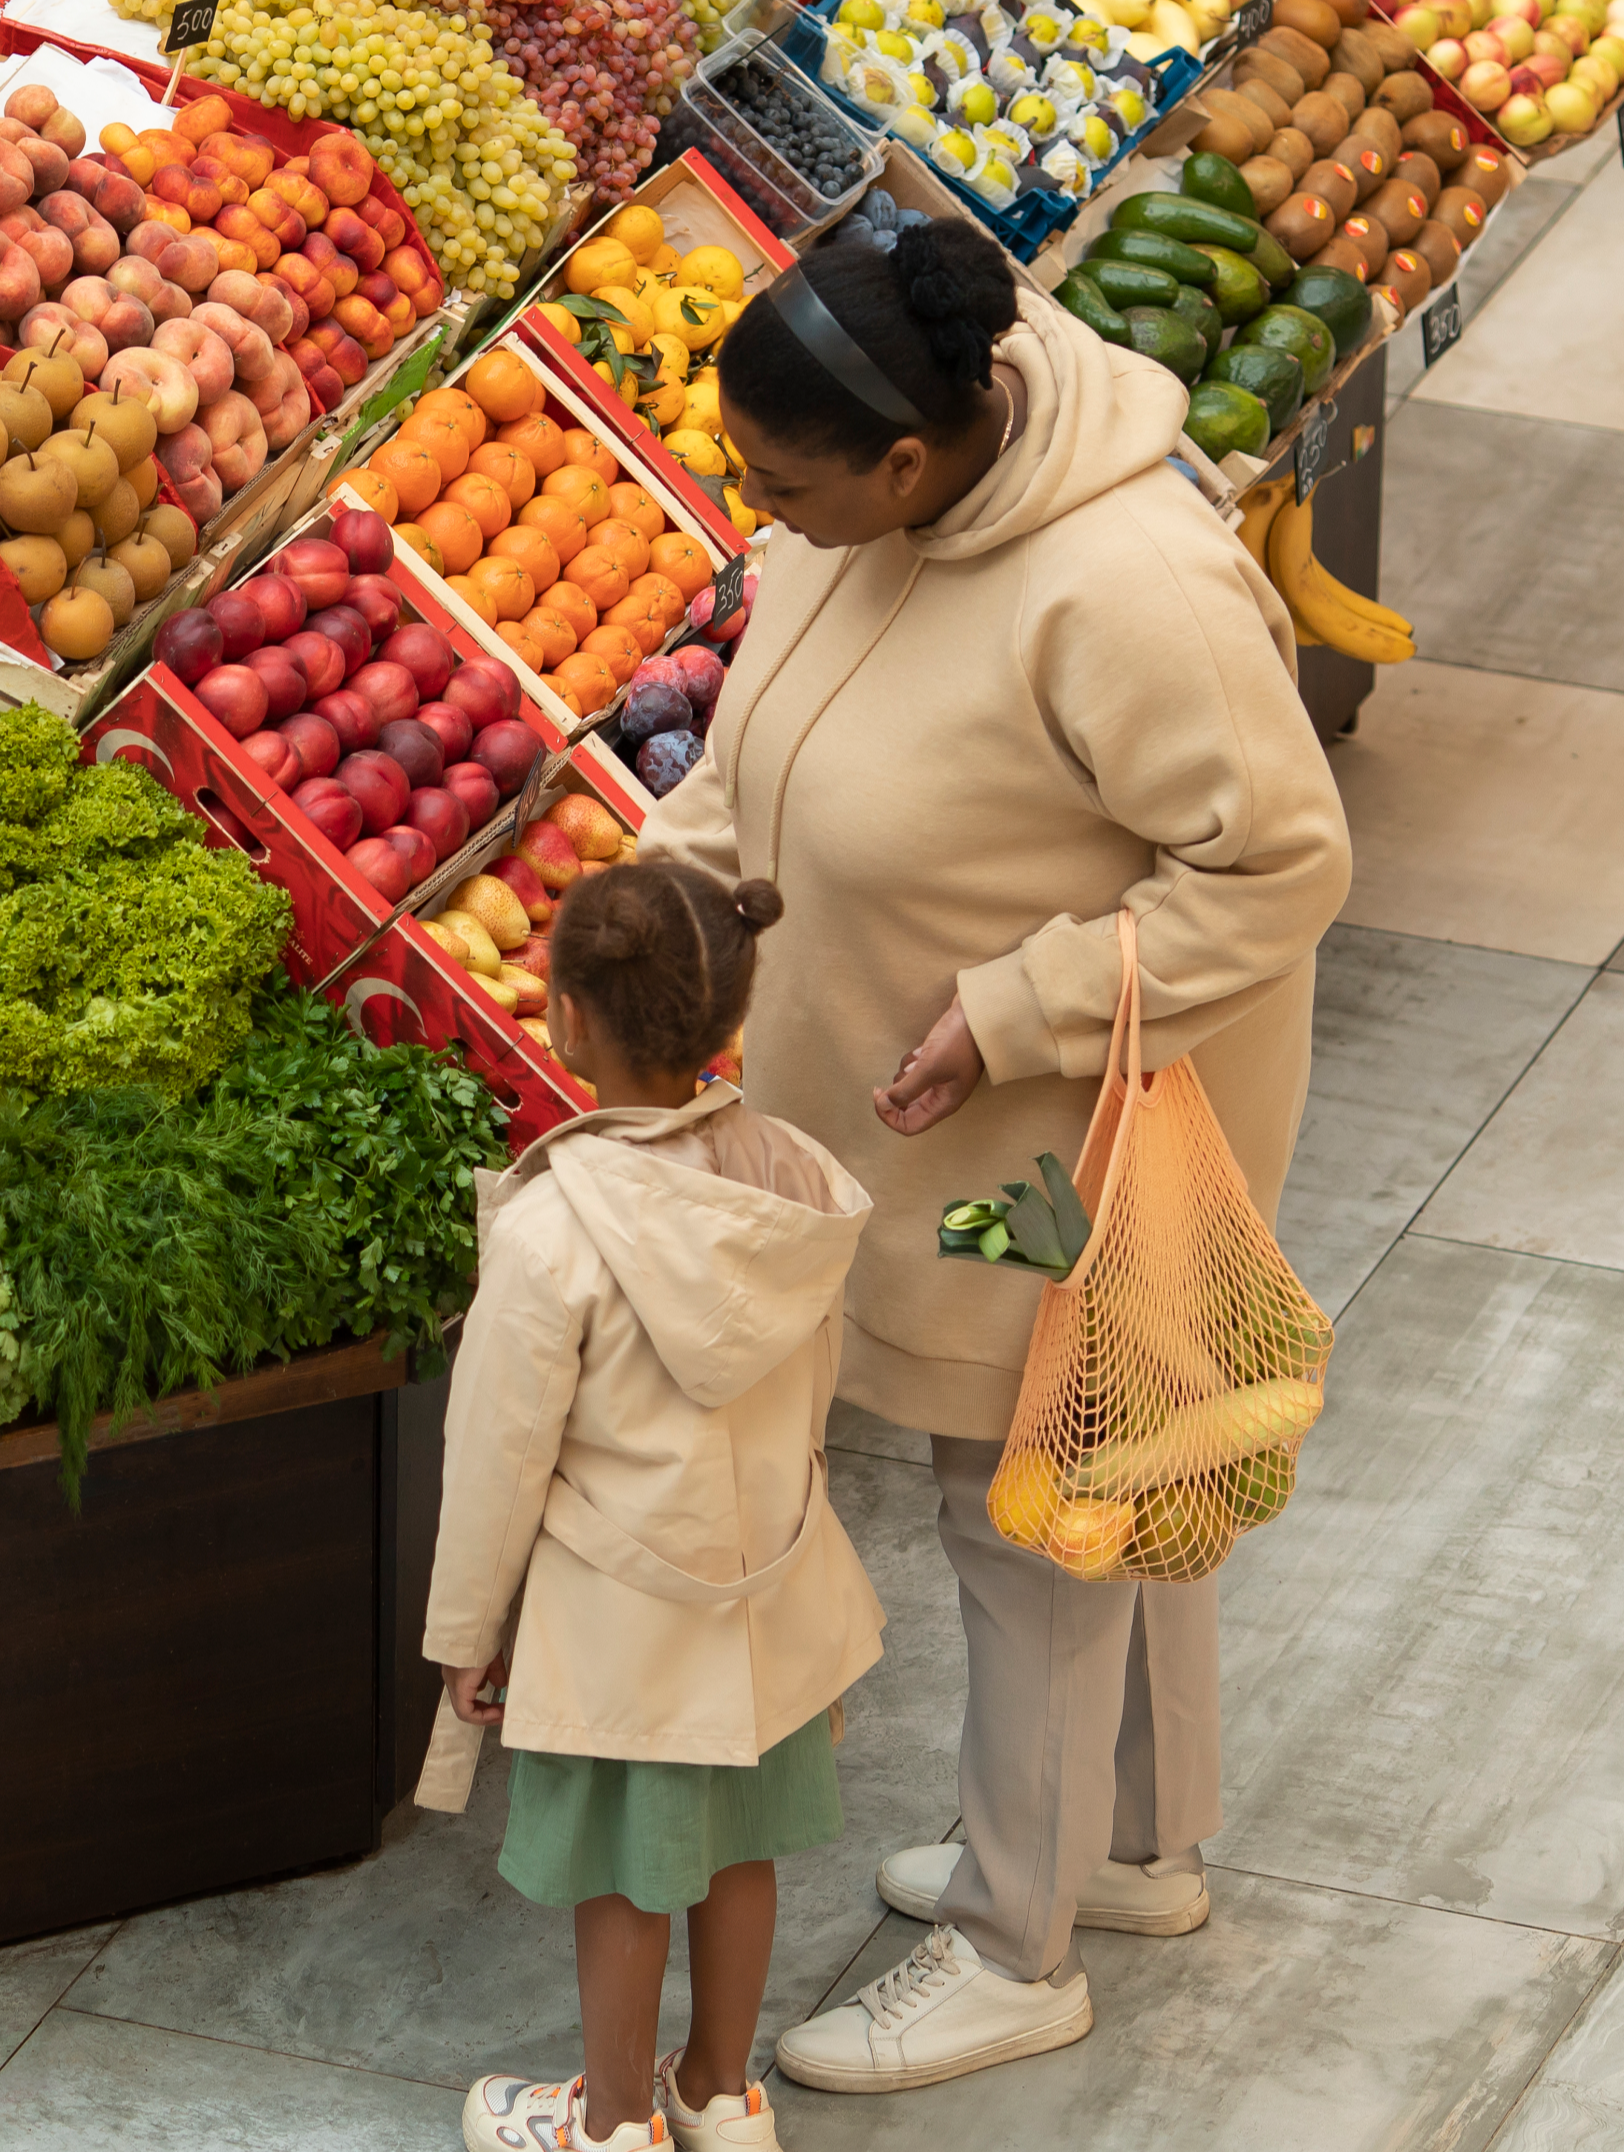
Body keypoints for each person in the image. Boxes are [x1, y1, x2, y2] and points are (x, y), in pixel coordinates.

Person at [632, 214, 1351, 2093]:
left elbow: (1282, 864)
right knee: (1123, 1455)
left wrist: (1019, 1008)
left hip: (1063, 1139)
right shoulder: (865, 522)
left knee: (1028, 1506)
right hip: (957, 1122)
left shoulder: (1126, 589)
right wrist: (664, 890)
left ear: (906, 457)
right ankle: (1128, 1848)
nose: (756, 515)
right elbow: (766, 746)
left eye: (783, 484)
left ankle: (1014, 1947)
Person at [420, 861, 883, 2152]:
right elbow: (815, 1381)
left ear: (564, 1017)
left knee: (623, 1873)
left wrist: (470, 1629)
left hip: (621, 1621)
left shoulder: (551, 1228)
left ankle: (612, 2122)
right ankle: (719, 2094)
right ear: (728, 1018)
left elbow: (497, 1451)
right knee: (741, 1847)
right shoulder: (789, 1176)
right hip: (763, 1597)